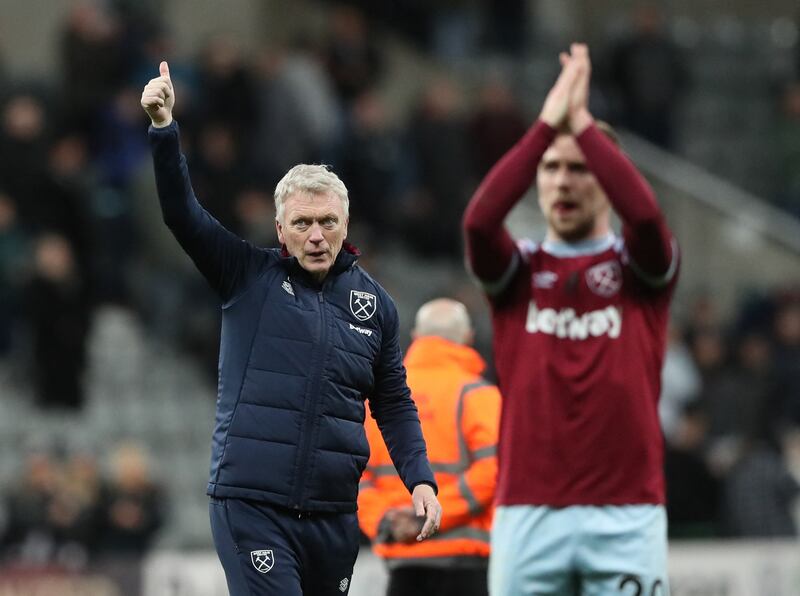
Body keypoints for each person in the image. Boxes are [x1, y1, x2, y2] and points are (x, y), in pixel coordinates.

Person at [140, 61, 441, 596]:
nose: (317, 235)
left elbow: (393, 401)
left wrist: (419, 479)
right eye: (302, 223)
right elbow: (182, 215)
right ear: (281, 229)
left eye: (327, 221)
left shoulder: (376, 306)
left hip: (333, 518)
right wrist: (165, 129)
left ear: (345, 224)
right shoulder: (246, 276)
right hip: (253, 507)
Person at [462, 44, 679, 595]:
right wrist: (546, 126)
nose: (562, 182)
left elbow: (648, 217)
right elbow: (480, 222)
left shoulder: (639, 271)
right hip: (528, 512)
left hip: (627, 513)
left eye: (580, 168)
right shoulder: (518, 272)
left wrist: (580, 121)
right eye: (551, 169)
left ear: (607, 181)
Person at [358, 298, 500, 596]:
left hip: (402, 565)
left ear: (415, 338)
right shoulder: (479, 395)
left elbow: (354, 475)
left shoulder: (376, 401)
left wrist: (386, 523)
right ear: (468, 338)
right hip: (466, 567)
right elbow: (494, 472)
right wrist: (431, 515)